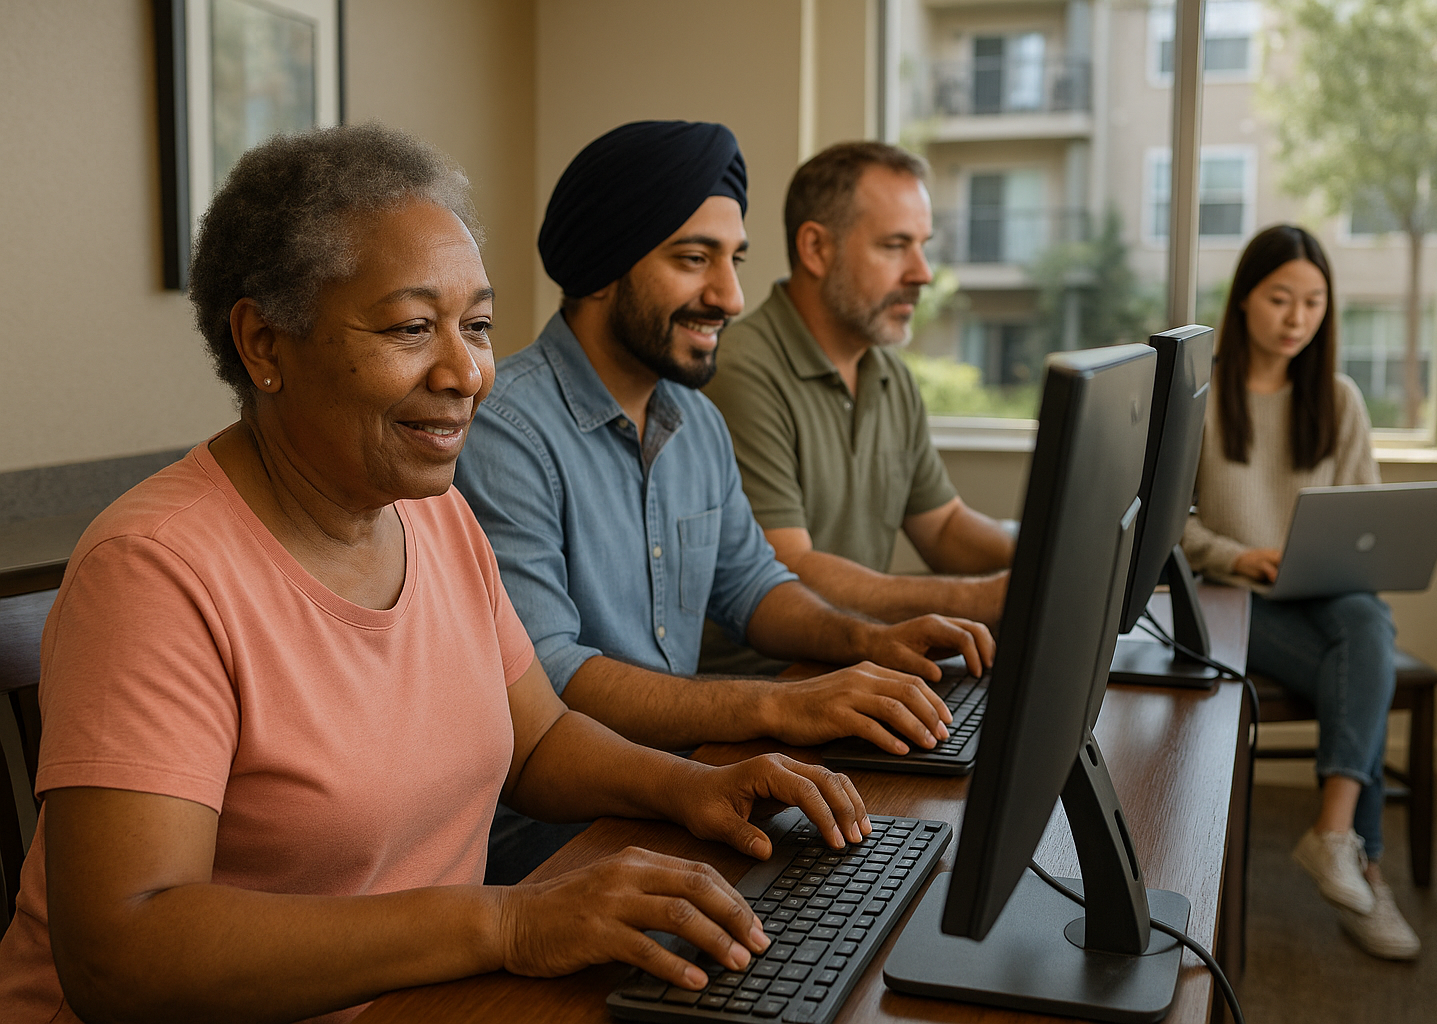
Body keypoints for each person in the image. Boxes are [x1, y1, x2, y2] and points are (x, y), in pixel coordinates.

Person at [0, 125, 877, 1024]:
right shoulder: (154, 571)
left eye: (479, 326)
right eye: (412, 328)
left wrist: (695, 789)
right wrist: (508, 922)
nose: (467, 373)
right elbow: (123, 952)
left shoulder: (432, 512)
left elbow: (537, 741)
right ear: (264, 344)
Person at [454, 122, 994, 882]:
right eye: (693, 258)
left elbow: (753, 585)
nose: (729, 296)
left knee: (887, 870)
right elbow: (555, 674)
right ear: (603, 267)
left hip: (692, 784)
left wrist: (869, 641)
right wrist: (778, 706)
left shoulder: (695, 420)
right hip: (560, 838)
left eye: (733, 260)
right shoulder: (504, 431)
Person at [1182, 223, 1419, 960]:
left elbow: (1364, 519)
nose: (1297, 318)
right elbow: (1168, 526)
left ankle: (1333, 833)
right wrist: (1241, 554)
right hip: (1232, 596)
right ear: (1244, 300)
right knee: (1365, 677)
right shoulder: (1200, 394)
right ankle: (1364, 869)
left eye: (1313, 302)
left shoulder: (1338, 400)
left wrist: (1327, 558)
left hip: (1322, 593)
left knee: (1368, 623)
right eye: (1280, 298)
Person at [698, 142, 1015, 676]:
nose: (922, 272)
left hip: (860, 664)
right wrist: (984, 599)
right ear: (816, 248)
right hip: (766, 682)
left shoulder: (888, 373)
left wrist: (1044, 557)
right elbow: (789, 566)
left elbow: (943, 526)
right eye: (895, 246)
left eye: (922, 246)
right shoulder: (739, 370)